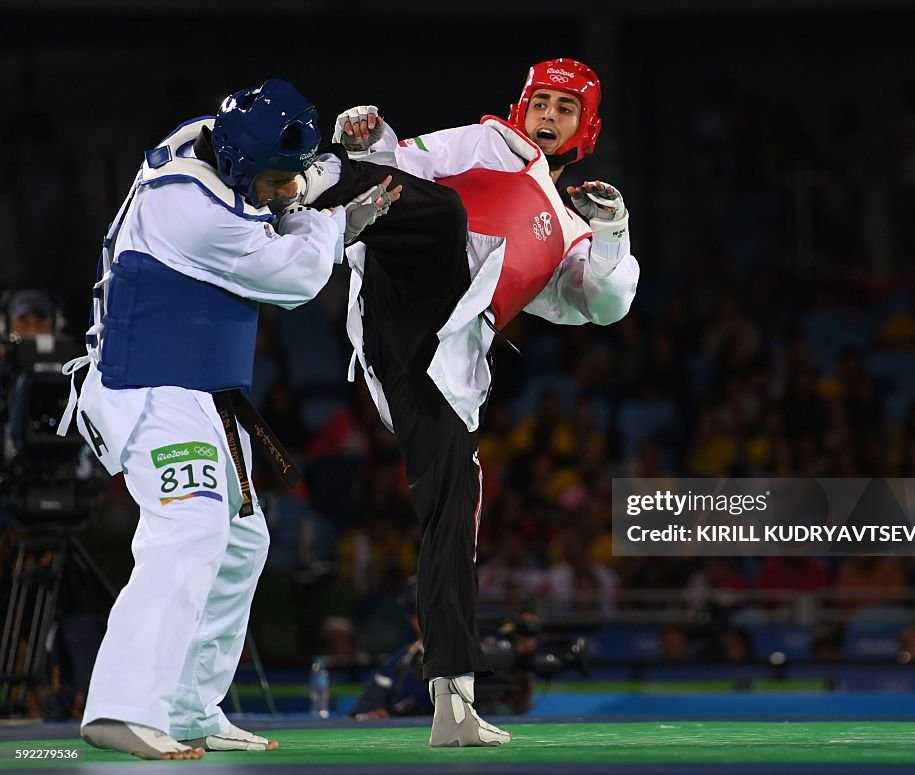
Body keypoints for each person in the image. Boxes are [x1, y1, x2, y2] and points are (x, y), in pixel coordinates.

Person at [56, 78, 401, 760]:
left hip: (201, 390)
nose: (277, 195)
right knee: (191, 527)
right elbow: (298, 276)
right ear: (244, 168)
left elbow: (288, 191)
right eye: (272, 182)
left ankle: (187, 705)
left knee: (242, 544)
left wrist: (325, 166)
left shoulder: (213, 145)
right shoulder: (191, 208)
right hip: (148, 385)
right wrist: (333, 218)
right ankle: (122, 706)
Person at [333, 58, 639, 747]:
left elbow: (603, 304)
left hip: (437, 361)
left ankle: (454, 699)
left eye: (567, 108)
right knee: (440, 211)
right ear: (522, 106)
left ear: (585, 126)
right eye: (543, 103)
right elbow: (402, 162)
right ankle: (314, 201)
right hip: (401, 284)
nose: (550, 117)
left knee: (453, 515)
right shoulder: (488, 143)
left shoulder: (569, 231)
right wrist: (369, 137)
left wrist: (614, 231)